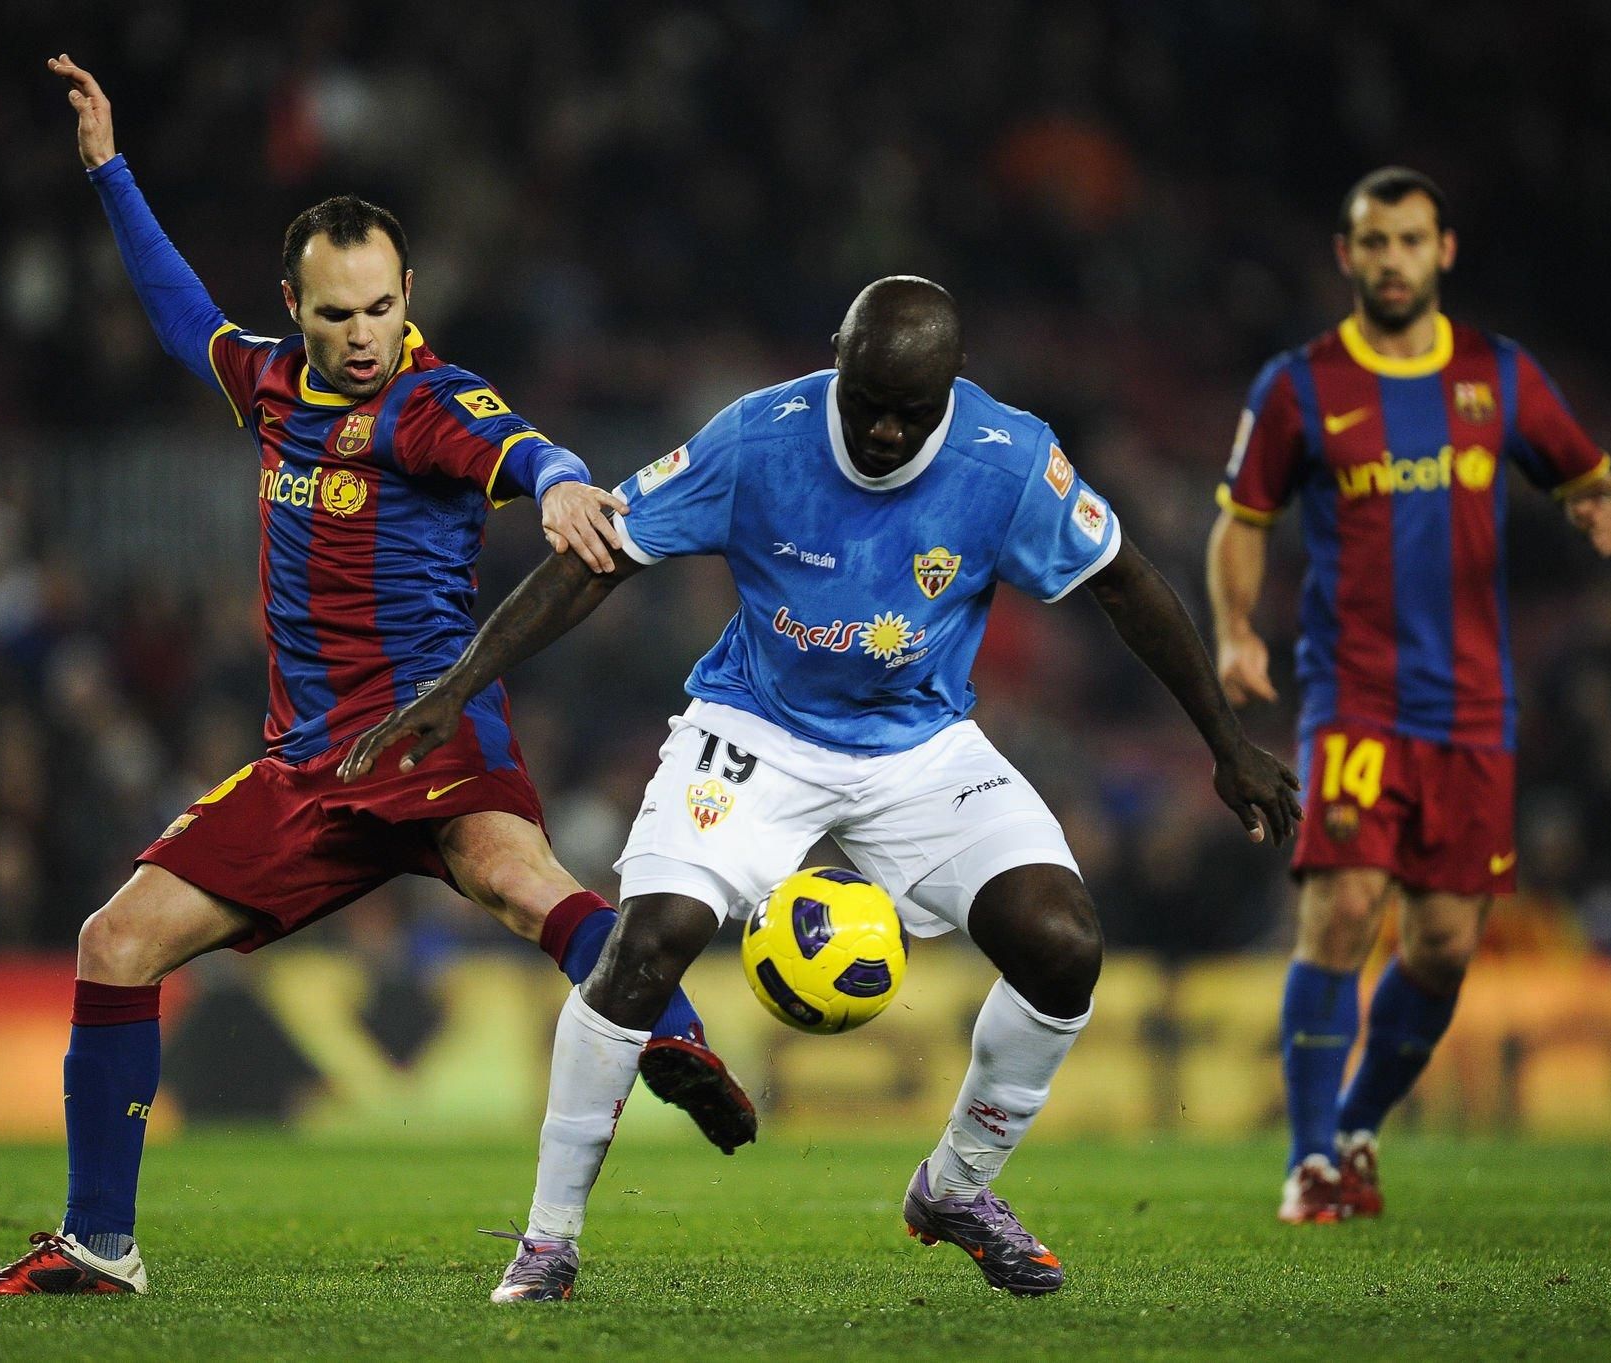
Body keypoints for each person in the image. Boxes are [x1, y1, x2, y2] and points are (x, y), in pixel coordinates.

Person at [0, 56, 751, 1297]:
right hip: (306, 767)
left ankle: (679, 1041)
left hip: (426, 727)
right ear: (296, 308)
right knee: (115, 942)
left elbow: (519, 444)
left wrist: (560, 487)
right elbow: (178, 310)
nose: (364, 333)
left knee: (513, 878)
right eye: (337, 315)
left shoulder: (429, 401)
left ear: (407, 294)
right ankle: (98, 1244)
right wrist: (108, 170)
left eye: (381, 306)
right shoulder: (269, 381)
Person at [347, 276, 1301, 1302]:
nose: (886, 432)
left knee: (1063, 944)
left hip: (921, 747)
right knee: (646, 942)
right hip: (755, 729)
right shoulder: (760, 436)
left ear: (953, 386)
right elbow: (597, 558)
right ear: (836, 360)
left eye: (912, 411)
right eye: (868, 404)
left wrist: (1225, 743)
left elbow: (1125, 581)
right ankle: (547, 1241)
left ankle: (956, 1188)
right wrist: (458, 687)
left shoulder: (1010, 459)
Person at [1205, 167, 1611, 1225]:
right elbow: (1242, 519)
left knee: (1442, 944)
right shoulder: (1299, 385)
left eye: (1408, 240)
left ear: (1442, 251)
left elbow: (1584, 470)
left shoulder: (1498, 375)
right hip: (1353, 696)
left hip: (1473, 710)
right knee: (1344, 906)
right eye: (1372, 241)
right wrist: (1235, 630)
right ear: (1344, 255)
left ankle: (1355, 1127)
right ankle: (1309, 1161)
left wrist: (1597, 506)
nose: (1390, 259)